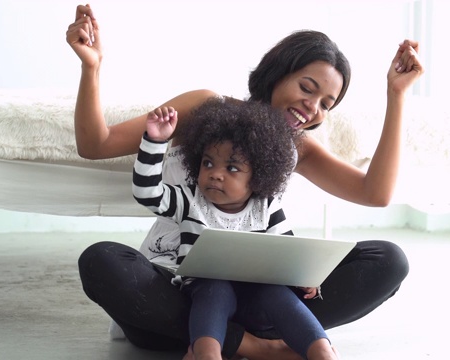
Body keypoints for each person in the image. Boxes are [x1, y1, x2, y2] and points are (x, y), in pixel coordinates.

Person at [68, 3, 423, 359]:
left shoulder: (298, 147)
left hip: (265, 302)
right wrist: (91, 66)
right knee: (101, 260)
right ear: (278, 72)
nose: (312, 107)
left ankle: (257, 335)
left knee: (388, 259)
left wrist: (397, 95)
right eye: (306, 87)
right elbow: (95, 144)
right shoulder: (205, 107)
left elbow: (376, 194)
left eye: (326, 104)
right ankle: (255, 346)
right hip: (177, 298)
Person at [133, 98, 338, 359]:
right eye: (208, 163)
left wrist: (303, 279)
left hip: (256, 297)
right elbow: (147, 192)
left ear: (259, 176)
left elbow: (287, 255)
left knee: (279, 295)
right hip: (203, 293)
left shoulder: (267, 207)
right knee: (214, 288)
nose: (216, 174)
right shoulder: (188, 199)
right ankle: (207, 354)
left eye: (232, 168)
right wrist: (155, 141)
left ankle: (322, 350)